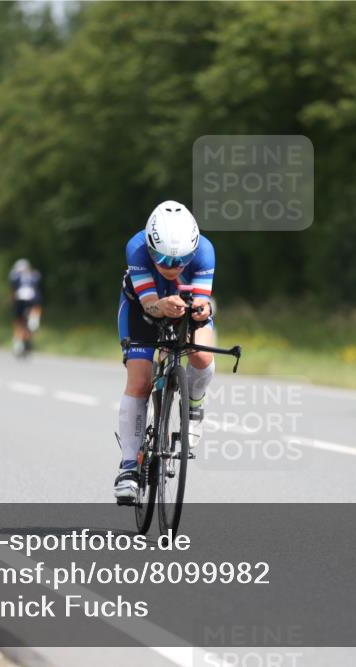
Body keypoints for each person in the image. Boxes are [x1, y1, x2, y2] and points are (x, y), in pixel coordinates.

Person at [114, 200, 216, 502]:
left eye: (182, 261)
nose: (173, 268)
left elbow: (201, 302)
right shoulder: (136, 248)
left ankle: (194, 405)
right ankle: (129, 466)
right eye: (162, 260)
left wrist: (200, 310)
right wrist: (161, 305)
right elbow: (148, 305)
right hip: (141, 309)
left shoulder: (205, 251)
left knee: (202, 355)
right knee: (140, 380)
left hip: (182, 307)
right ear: (149, 247)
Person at [9, 258, 42, 357]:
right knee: (22, 324)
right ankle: (20, 344)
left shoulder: (16, 275)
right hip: (24, 302)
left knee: (23, 324)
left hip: (26, 302)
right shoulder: (33, 275)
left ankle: (22, 344)